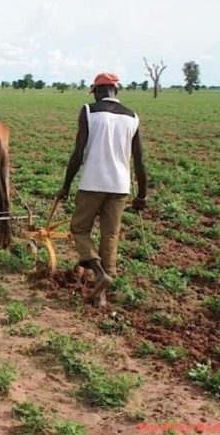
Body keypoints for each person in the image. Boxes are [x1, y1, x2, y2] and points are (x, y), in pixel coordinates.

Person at [57, 72, 148, 306]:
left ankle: (98, 272)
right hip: (119, 187)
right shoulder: (132, 116)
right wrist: (142, 194)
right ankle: (102, 294)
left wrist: (66, 186)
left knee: (79, 228)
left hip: (92, 183)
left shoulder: (89, 111)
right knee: (110, 234)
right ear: (115, 90)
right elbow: (139, 159)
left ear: (97, 91)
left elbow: (78, 153)